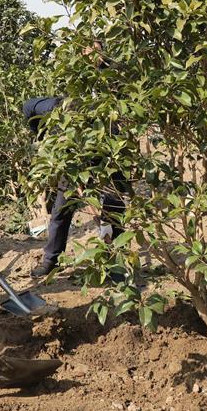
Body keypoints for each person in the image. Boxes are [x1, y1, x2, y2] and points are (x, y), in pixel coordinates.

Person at [22, 96, 127, 278]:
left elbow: (118, 178)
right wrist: (42, 135)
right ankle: (51, 261)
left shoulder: (107, 124)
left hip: (107, 154)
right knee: (61, 209)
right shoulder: (51, 107)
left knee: (114, 202)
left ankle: (115, 260)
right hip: (71, 159)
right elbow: (28, 107)